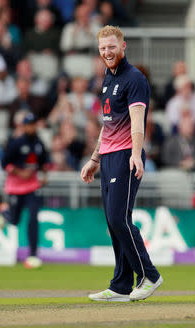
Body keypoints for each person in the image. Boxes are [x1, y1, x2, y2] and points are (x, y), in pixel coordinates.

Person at [80, 25, 163, 302]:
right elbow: (108, 125)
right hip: (109, 157)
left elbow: (138, 123)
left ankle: (149, 274)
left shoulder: (134, 78)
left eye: (112, 47)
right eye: (103, 48)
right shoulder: (107, 77)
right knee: (113, 221)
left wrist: (136, 155)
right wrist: (94, 159)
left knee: (119, 218)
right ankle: (121, 285)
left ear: (123, 46)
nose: (107, 52)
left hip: (128, 154)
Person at [0, 112, 50, 269]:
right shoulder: (16, 143)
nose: (31, 127)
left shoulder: (39, 143)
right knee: (14, 220)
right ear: (24, 126)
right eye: (29, 125)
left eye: (33, 124)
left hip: (32, 186)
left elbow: (44, 163)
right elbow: (4, 163)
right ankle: (3, 212)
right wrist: (20, 173)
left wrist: (44, 175)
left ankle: (33, 255)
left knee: (33, 217)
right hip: (15, 187)